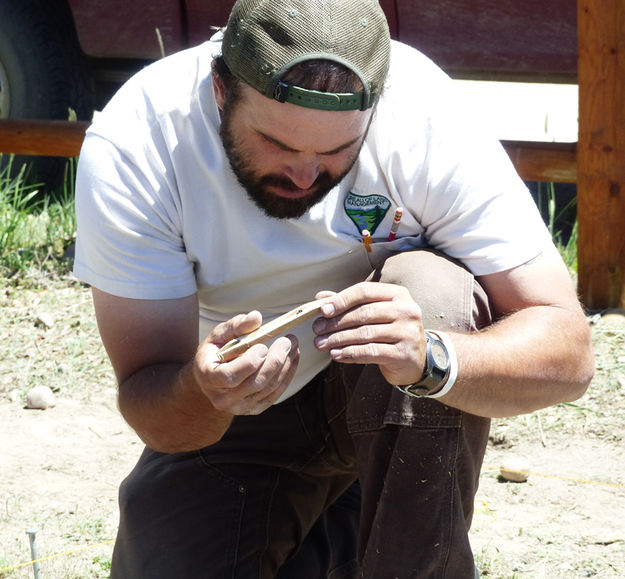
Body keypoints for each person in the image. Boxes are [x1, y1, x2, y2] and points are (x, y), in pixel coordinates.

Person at [73, 0, 594, 577]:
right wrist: (203, 391)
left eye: (336, 151)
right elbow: (154, 409)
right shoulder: (140, 141)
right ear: (220, 90)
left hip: (397, 401)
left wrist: (433, 359)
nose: (304, 174)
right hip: (246, 415)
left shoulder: (423, 113)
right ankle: (328, 526)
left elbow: (568, 352)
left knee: (431, 295)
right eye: (279, 144)